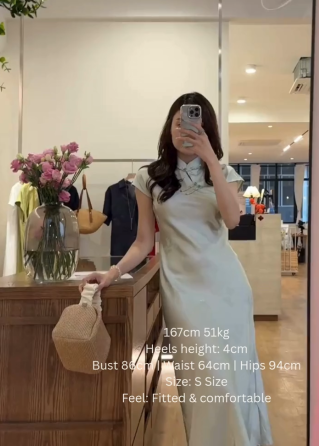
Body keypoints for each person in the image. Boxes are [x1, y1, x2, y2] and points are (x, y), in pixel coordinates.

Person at [80, 92, 273, 446]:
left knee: (232, 382)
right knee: (203, 382)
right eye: (179, 122)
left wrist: (211, 161)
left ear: (207, 129)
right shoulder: (149, 178)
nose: (185, 130)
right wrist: (112, 273)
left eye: (194, 123)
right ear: (169, 128)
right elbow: (143, 242)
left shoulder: (225, 174)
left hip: (227, 290)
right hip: (182, 293)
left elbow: (232, 220)